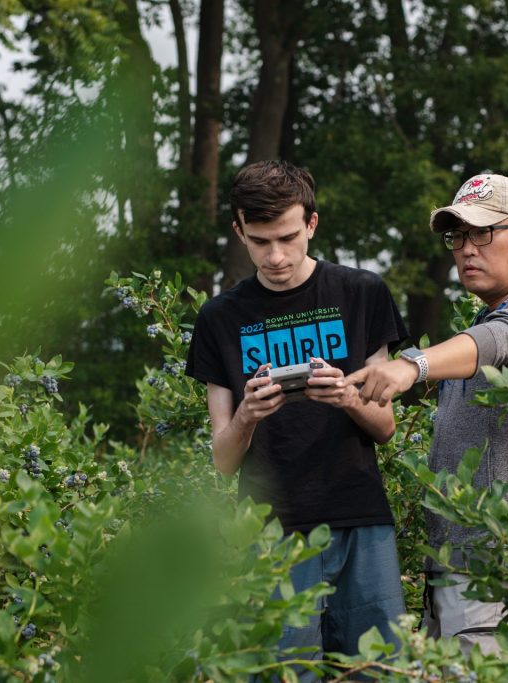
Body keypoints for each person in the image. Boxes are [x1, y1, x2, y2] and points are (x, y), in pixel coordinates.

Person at [342, 173, 508, 655]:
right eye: (457, 236)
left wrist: (412, 366)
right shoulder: (487, 319)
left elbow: (504, 339)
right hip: (464, 578)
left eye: (482, 233)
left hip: (501, 579)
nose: (466, 249)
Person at [185, 160, 409, 671]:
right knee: (286, 673)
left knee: (379, 673)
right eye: (260, 241)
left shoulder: (361, 292)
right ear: (239, 231)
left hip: (359, 517)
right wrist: (247, 416)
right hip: (270, 529)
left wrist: (347, 398)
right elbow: (222, 460)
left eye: (287, 237)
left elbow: (386, 428)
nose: (276, 256)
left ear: (311, 224)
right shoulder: (219, 318)